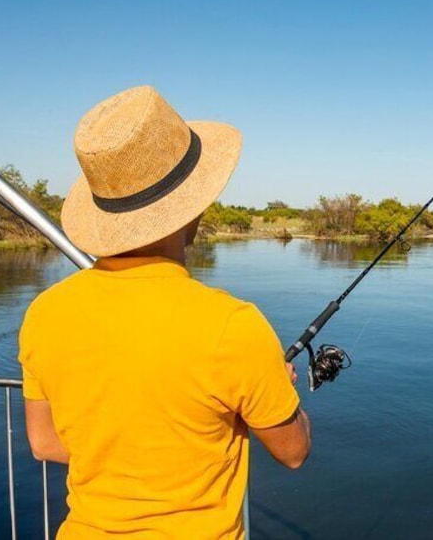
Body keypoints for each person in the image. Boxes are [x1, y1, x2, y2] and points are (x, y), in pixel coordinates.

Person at [18, 85, 310, 539]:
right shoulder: (232, 325)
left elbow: (45, 443)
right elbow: (293, 452)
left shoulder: (45, 312)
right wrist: (274, 388)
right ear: (191, 209)